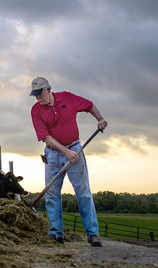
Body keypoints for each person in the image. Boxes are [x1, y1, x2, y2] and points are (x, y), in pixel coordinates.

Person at [30, 76, 108, 247]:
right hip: (53, 155)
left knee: (83, 193)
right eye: (34, 95)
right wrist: (66, 152)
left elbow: (89, 105)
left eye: (39, 94)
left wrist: (100, 119)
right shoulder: (36, 110)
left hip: (75, 150)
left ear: (48, 90)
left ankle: (92, 234)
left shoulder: (67, 98)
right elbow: (46, 138)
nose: (37, 98)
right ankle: (56, 233)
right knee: (52, 195)